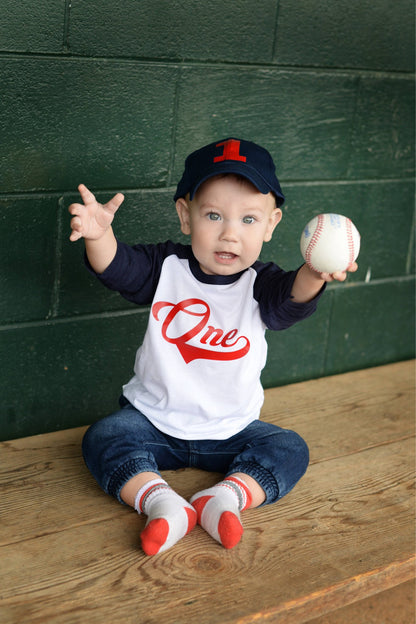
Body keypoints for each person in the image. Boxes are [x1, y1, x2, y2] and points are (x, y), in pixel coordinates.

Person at [69, 137, 357, 556]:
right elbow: (118, 268)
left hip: (231, 431)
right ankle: (163, 503)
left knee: (289, 448)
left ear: (272, 224)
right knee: (104, 436)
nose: (229, 234)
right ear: (186, 216)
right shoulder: (166, 268)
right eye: (214, 215)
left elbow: (291, 302)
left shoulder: (263, 284)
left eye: (248, 220)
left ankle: (222, 499)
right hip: (153, 423)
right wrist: (99, 235)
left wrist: (315, 271)